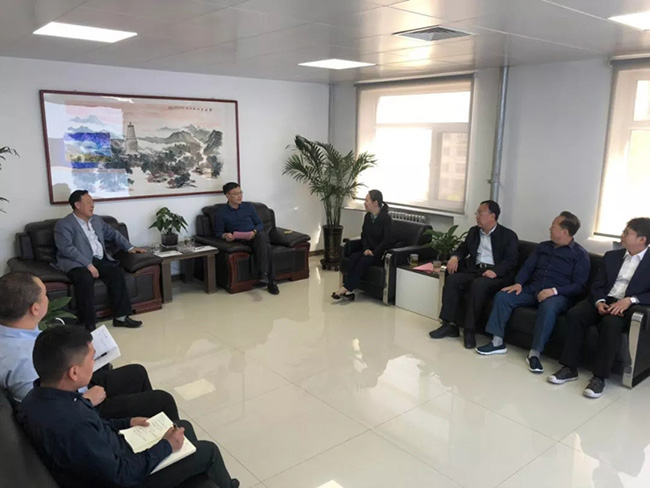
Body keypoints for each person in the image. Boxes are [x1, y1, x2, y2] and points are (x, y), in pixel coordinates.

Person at [17, 325, 239, 488]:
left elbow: (96, 427)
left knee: (183, 427)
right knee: (208, 450)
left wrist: (127, 422)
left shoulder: (39, 397)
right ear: (74, 372)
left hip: (113, 453)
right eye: (92, 359)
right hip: (125, 477)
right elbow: (120, 475)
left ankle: (202, 478)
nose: (95, 364)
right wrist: (165, 447)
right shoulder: (73, 424)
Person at [0, 272, 179, 420]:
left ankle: (148, 429)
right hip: (79, 409)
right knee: (162, 400)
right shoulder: (24, 359)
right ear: (35, 309)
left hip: (73, 386)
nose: (48, 298)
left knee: (136, 373)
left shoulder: (14, 330)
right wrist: (86, 400)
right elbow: (48, 412)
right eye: (45, 295)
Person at [476, 211, 590, 375]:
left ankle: (534, 353)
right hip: (533, 288)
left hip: (558, 295)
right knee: (503, 296)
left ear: (564, 231)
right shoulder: (543, 247)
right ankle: (497, 342)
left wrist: (553, 291)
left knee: (548, 307)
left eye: (553, 226)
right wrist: (518, 283)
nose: (550, 228)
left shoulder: (580, 255)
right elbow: (527, 268)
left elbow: (579, 286)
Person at [549, 218, 650, 398]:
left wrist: (630, 300)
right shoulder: (612, 257)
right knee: (575, 314)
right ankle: (569, 368)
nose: (622, 235)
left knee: (611, 324)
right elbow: (597, 284)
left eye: (627, 233)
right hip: (603, 299)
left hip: (626, 305)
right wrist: (599, 301)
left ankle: (599, 378)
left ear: (642, 239)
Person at [429, 200, 519, 348]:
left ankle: (469, 330)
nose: (477, 216)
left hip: (496, 275)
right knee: (453, 280)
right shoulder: (474, 232)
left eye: (480, 213)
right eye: (477, 213)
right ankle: (450, 324)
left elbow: (511, 260)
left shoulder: (508, 235)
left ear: (492, 216)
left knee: (478, 285)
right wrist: (455, 257)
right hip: (475, 270)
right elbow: (463, 248)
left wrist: (495, 271)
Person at [54, 190, 146, 330]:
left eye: (93, 202)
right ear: (77, 205)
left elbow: (113, 234)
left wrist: (130, 247)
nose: (93, 205)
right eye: (89, 202)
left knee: (117, 272)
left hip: (98, 258)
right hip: (76, 262)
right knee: (85, 278)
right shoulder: (64, 224)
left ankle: (121, 317)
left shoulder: (96, 220)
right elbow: (66, 249)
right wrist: (88, 265)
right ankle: (88, 324)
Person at [214, 182, 279, 295]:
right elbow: (218, 232)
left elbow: (260, 224)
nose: (239, 196)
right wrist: (225, 235)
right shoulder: (221, 213)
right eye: (236, 194)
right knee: (267, 247)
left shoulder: (248, 207)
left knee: (262, 237)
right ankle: (270, 281)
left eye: (240, 193)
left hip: (255, 236)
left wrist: (254, 232)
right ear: (227, 195)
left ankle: (264, 275)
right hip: (240, 240)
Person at [332, 190, 393, 301]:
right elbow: (364, 235)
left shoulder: (386, 219)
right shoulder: (368, 217)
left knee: (363, 261)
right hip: (368, 250)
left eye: (367, 200)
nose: (365, 203)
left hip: (380, 253)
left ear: (375, 203)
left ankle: (345, 288)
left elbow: (386, 241)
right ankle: (349, 291)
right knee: (353, 257)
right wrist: (366, 249)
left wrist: (374, 252)